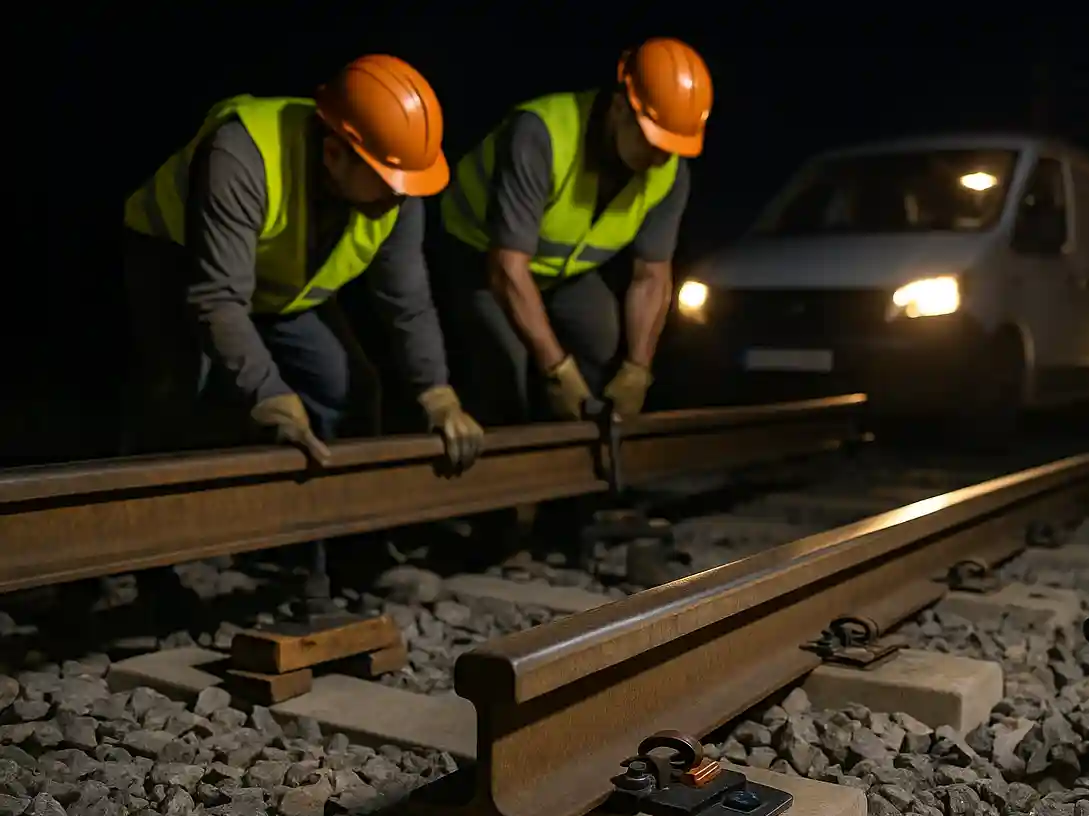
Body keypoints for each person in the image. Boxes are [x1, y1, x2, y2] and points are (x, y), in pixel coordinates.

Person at [121, 54, 484, 607]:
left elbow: (406, 301)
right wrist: (269, 394)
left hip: (281, 287)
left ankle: (349, 554)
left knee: (351, 389)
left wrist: (436, 391)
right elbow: (218, 297)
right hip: (179, 261)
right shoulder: (241, 155)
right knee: (180, 390)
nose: (402, 197)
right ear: (335, 151)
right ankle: (145, 563)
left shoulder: (396, 186)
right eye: (390, 183)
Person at [438, 38, 711, 425]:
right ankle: (504, 467)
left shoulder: (669, 172)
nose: (658, 159)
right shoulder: (540, 135)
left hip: (560, 271)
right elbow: (508, 270)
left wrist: (637, 370)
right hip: (479, 256)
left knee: (600, 337)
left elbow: (652, 277)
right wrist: (557, 371)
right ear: (619, 106)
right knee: (504, 364)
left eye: (671, 148)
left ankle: (582, 458)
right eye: (652, 141)